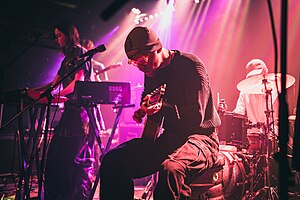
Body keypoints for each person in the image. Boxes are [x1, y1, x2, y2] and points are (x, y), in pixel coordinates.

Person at [99, 26, 221, 200]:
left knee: (171, 168)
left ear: (156, 50)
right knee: (113, 161)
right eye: (135, 63)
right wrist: (144, 108)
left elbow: (195, 117)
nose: (140, 67)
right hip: (170, 138)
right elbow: (149, 97)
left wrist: (163, 107)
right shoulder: (151, 70)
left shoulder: (191, 66)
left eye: (141, 61)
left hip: (201, 139)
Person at [32, 22, 95, 199]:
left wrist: (49, 95)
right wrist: (34, 93)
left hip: (79, 112)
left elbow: (77, 82)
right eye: (56, 36)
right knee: (56, 158)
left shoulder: (79, 51)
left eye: (60, 35)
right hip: (69, 111)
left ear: (69, 35)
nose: (57, 39)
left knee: (70, 158)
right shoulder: (68, 58)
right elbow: (54, 84)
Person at [233, 59, 279, 153]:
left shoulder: (275, 92)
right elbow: (238, 114)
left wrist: (272, 137)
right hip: (250, 140)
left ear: (266, 72)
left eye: (258, 75)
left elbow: (278, 121)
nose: (255, 78)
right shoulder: (245, 92)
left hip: (272, 140)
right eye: (252, 76)